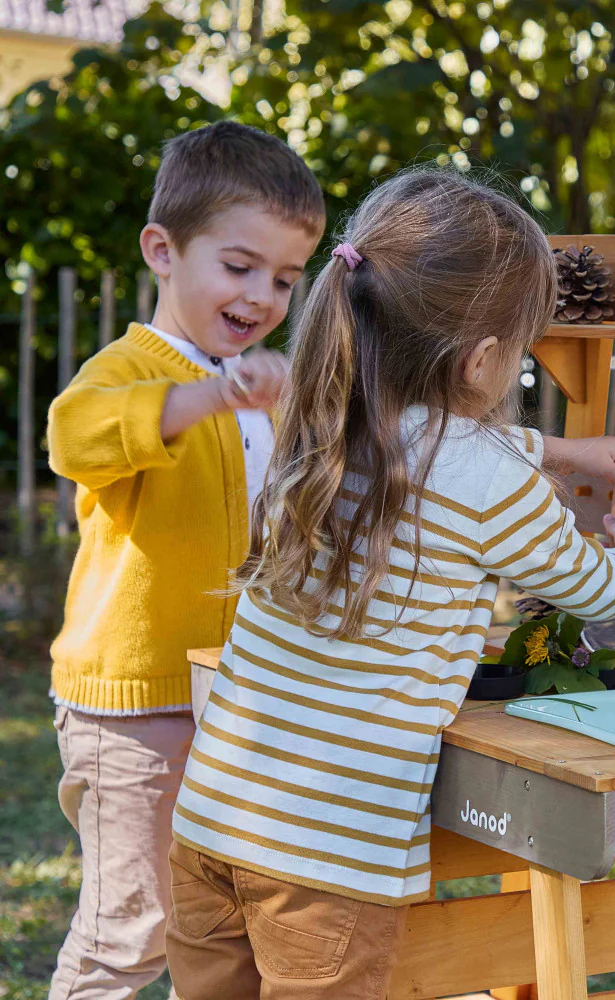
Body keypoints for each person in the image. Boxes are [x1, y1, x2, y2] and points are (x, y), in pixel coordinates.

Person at [165, 167, 615, 999]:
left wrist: (562, 452)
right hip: (327, 865)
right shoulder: (486, 479)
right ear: (483, 361)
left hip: (212, 824)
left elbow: (442, 445)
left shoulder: (322, 417)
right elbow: (604, 592)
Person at [45, 120, 325, 999]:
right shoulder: (129, 372)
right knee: (127, 936)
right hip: (136, 715)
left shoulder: (264, 392)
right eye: (239, 267)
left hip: (237, 704)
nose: (263, 296)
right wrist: (205, 395)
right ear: (162, 251)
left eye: (285, 278)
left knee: (222, 932)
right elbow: (73, 435)